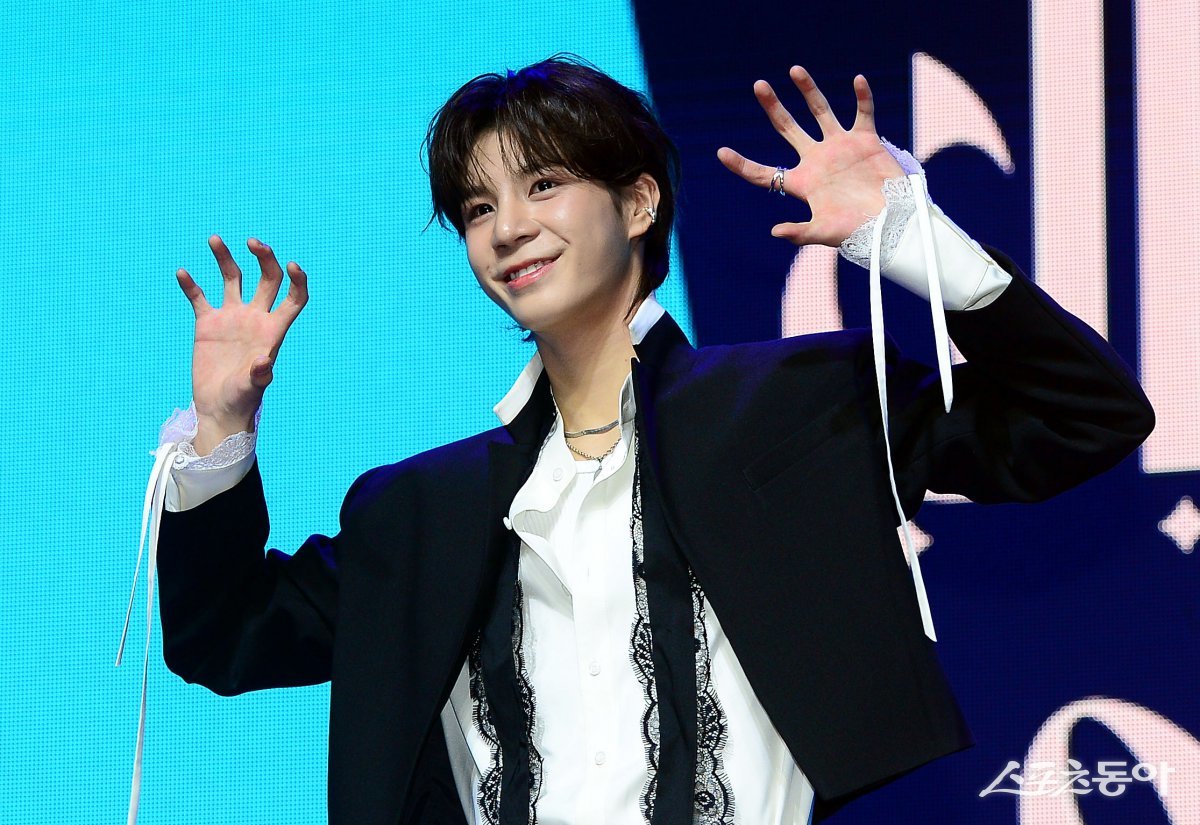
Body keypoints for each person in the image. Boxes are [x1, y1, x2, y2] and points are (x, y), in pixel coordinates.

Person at [126, 56, 1154, 824]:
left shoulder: (802, 406)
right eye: (478, 207)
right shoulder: (420, 509)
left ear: (637, 200)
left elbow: (1084, 417)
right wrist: (222, 424)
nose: (507, 229)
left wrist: (907, 236)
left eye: (542, 186)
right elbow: (226, 635)